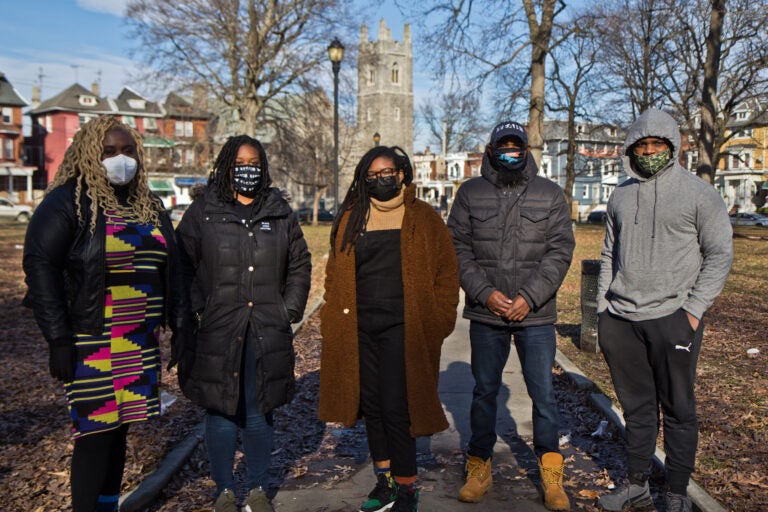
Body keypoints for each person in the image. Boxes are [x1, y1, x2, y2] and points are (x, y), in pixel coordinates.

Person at [22, 115, 185, 512]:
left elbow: (174, 268)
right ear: (90, 155)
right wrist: (58, 339)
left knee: (119, 432)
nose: (121, 159)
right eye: (109, 152)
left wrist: (180, 329)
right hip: (93, 339)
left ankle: (108, 507)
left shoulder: (148, 204)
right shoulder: (69, 202)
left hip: (140, 339)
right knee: (95, 434)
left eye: (128, 150)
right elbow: (40, 265)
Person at [596, 109, 733, 512]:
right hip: (622, 321)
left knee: (678, 409)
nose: (650, 151)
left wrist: (692, 312)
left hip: (674, 318)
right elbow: (608, 255)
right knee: (636, 410)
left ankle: (676, 493)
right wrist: (604, 310)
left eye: (658, 145)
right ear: (630, 150)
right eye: (642, 145)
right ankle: (636, 485)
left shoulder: (699, 194)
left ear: (673, 147)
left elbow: (720, 255)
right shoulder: (620, 195)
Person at [318, 146, 459, 512]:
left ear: (402, 173)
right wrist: (331, 312)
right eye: (374, 174)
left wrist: (441, 319)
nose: (382, 178)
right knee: (373, 405)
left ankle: (408, 487)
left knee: (398, 406)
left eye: (389, 171)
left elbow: (447, 273)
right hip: (359, 328)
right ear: (365, 179)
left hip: (406, 328)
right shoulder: (352, 216)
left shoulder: (424, 218)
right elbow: (335, 273)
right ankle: (386, 482)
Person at [175, 135, 311, 512]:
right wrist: (195, 311)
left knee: (258, 409)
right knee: (220, 410)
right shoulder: (203, 211)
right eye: (239, 162)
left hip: (266, 328)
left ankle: (255, 488)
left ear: (263, 166)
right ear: (226, 166)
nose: (247, 169)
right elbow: (181, 264)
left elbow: (299, 264)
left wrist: (290, 310)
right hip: (217, 328)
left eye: (254, 162)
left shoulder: (280, 212)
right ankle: (224, 490)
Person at [447, 121, 575, 511]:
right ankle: (479, 466)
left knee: (544, 395)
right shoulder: (470, 193)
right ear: (490, 149)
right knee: (484, 391)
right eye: (502, 145)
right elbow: (456, 249)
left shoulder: (550, 195)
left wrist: (529, 297)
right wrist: (486, 294)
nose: (509, 151)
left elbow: (560, 251)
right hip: (487, 316)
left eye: (515, 146)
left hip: (535, 317)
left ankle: (551, 474)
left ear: (526, 149)